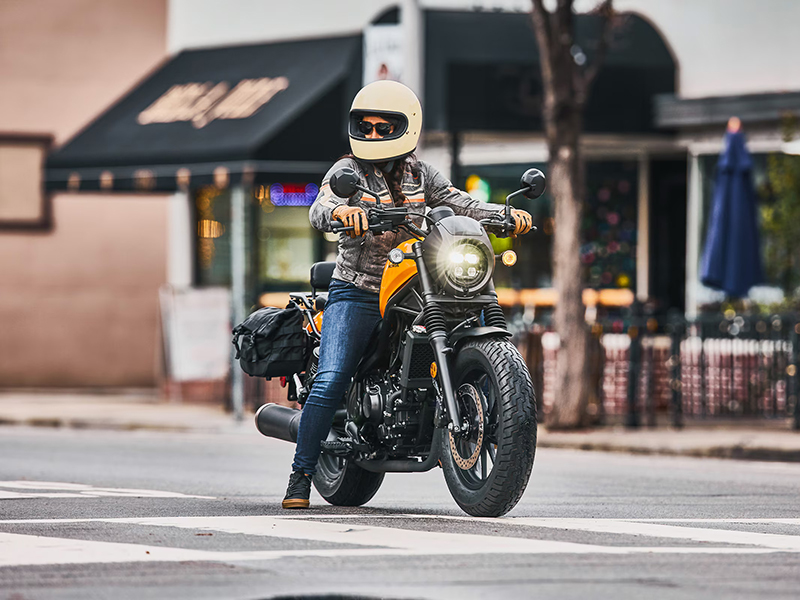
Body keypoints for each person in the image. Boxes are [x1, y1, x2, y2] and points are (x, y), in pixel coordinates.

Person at [282, 80, 532, 509]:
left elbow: (459, 203)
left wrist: (506, 214)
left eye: (384, 127)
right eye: (367, 127)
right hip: (358, 290)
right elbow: (320, 206)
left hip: (417, 282)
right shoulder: (347, 172)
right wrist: (343, 211)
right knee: (333, 376)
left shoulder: (422, 173)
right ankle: (300, 475)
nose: (374, 135)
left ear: (407, 128)